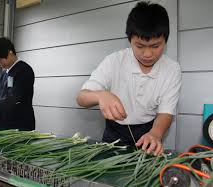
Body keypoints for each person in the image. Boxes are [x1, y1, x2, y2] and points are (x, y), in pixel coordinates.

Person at [76, 1, 181, 156]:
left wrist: (156, 134)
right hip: (114, 133)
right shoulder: (114, 61)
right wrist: (100, 95)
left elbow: (166, 112)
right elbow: (81, 98)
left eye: (155, 46)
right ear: (129, 40)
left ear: (166, 40)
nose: (147, 54)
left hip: (149, 132)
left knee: (144, 175)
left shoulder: (172, 69)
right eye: (139, 46)